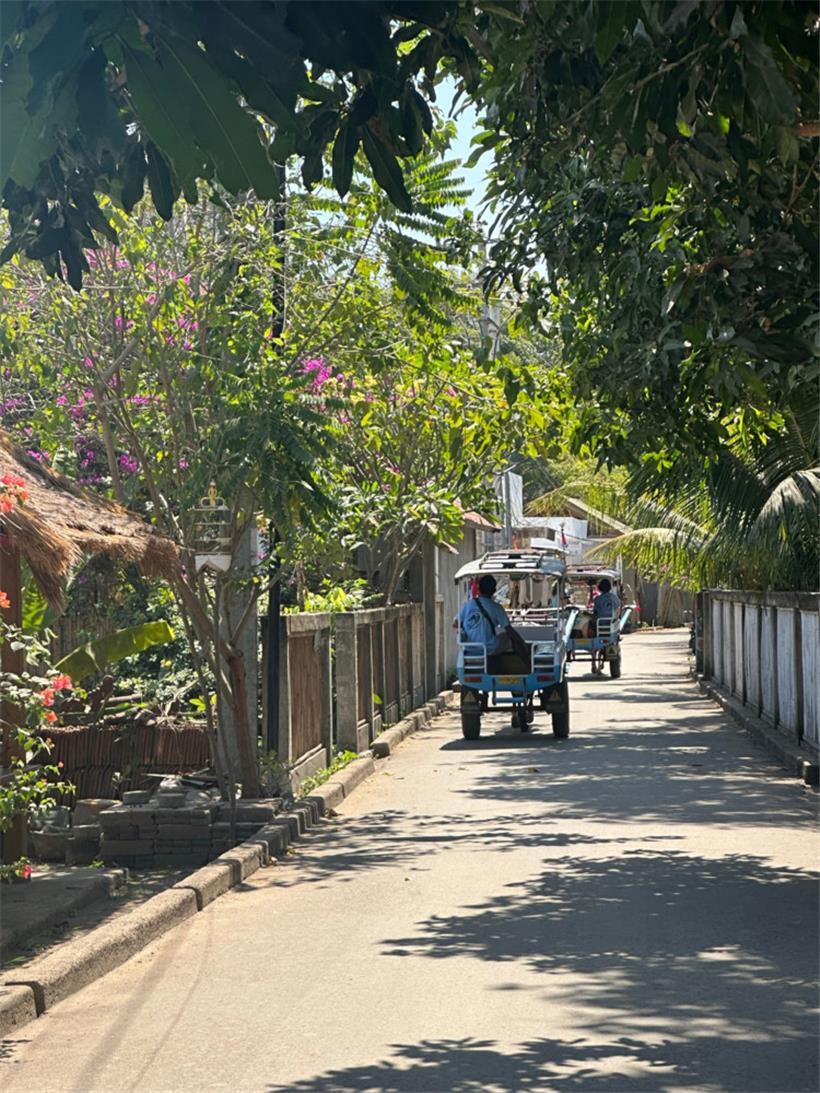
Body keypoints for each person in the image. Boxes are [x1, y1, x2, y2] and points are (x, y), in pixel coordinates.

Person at [457, 574, 510, 654]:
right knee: (508, 638)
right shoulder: (496, 608)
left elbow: (455, 623)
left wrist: (467, 628)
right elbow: (509, 629)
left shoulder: (468, 605)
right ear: (494, 590)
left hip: (469, 647)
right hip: (488, 647)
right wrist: (521, 643)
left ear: (479, 588)